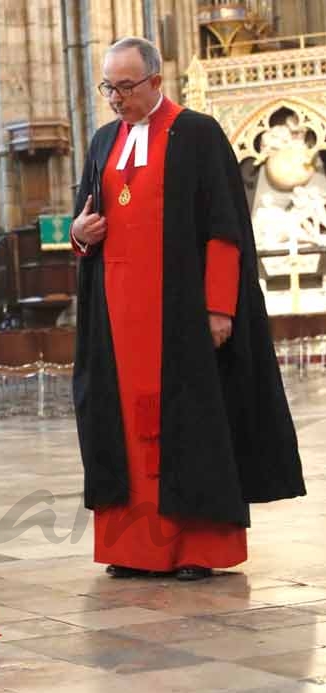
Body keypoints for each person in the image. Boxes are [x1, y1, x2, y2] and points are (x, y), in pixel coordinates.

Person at [70, 37, 304, 582]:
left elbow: (225, 230)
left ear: (155, 82)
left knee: (191, 428)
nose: (115, 98)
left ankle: (196, 549)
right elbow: (82, 219)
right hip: (115, 321)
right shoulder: (104, 140)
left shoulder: (198, 133)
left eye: (126, 87)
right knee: (122, 430)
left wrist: (219, 308)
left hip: (180, 317)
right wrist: (80, 235)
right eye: (108, 86)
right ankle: (132, 548)